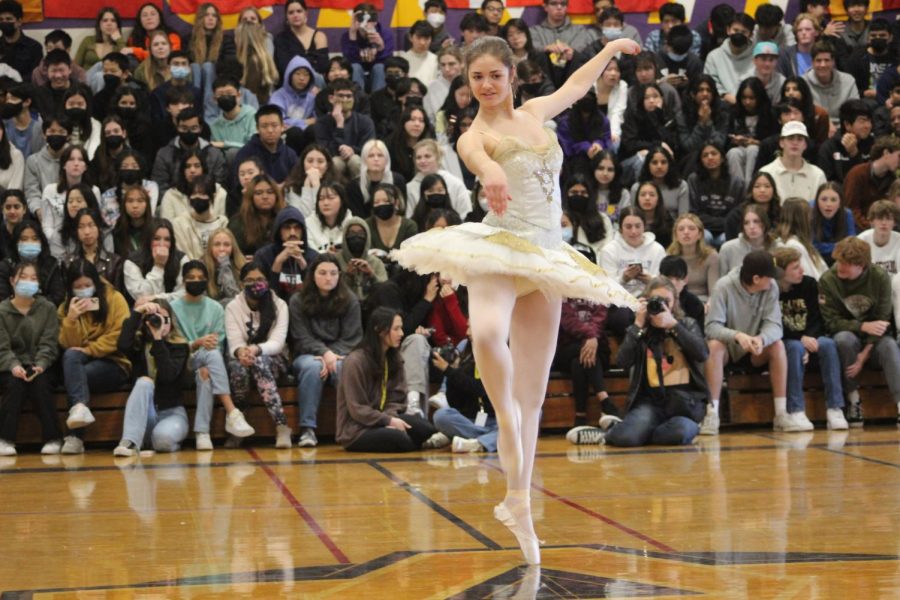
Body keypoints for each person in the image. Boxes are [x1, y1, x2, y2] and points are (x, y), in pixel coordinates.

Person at [393, 35, 641, 566]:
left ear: (511, 76)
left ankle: (519, 505)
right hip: (500, 250)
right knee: (484, 334)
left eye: (493, 76)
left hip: (546, 256)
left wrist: (611, 48)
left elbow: (577, 84)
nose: (484, 85)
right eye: (475, 78)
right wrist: (493, 172)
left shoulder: (534, 111)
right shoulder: (474, 134)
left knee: (532, 400)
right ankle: (499, 417)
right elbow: (479, 159)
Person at [566, 277, 708, 447]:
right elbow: (622, 362)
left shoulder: (687, 324)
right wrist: (637, 325)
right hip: (650, 404)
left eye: (666, 301)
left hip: (684, 405)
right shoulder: (641, 330)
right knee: (625, 439)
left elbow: (702, 353)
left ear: (675, 303)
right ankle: (616, 433)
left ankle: (626, 430)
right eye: (656, 301)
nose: (661, 306)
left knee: (680, 433)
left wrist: (673, 325)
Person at [171, 260, 254, 450]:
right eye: (191, 278)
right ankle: (232, 412)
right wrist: (196, 343)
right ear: (183, 281)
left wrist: (205, 346)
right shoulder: (173, 307)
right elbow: (173, 345)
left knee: (206, 373)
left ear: (207, 281)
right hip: (182, 362)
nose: (195, 281)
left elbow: (218, 343)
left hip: (207, 360)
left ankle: (202, 433)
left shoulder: (216, 308)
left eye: (200, 278)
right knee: (209, 356)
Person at [703, 250, 786, 436]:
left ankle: (781, 414)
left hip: (755, 350)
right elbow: (711, 327)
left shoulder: (771, 288)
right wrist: (737, 336)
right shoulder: (723, 287)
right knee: (714, 346)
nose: (773, 280)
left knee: (777, 345)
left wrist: (761, 338)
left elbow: (775, 326)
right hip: (728, 349)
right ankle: (712, 413)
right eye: (769, 276)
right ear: (756, 278)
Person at [335, 306, 441, 452]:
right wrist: (387, 421)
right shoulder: (355, 362)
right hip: (357, 429)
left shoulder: (394, 357)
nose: (401, 333)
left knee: (426, 429)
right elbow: (357, 409)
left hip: (384, 418)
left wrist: (389, 418)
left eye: (401, 328)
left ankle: (411, 441)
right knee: (400, 439)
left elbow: (398, 398)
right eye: (396, 329)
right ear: (380, 330)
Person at [820, 237, 900, 426]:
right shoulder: (828, 280)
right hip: (849, 337)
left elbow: (883, 319)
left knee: (889, 346)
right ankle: (853, 400)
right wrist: (861, 326)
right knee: (843, 339)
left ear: (861, 265)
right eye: (838, 261)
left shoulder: (879, 277)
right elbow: (831, 322)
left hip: (875, 340)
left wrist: (864, 355)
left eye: (846, 264)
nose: (840, 267)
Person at [56, 258, 130, 454]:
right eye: (77, 287)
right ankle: (80, 407)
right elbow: (68, 345)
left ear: (96, 283)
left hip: (114, 363)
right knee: (71, 358)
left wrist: (90, 350)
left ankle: (75, 436)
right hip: (80, 363)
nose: (83, 290)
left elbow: (118, 337)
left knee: (76, 376)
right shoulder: (66, 307)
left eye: (87, 285)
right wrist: (71, 319)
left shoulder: (115, 299)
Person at [290, 254, 362, 447]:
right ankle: (307, 429)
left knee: (342, 368)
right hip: (307, 354)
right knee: (313, 368)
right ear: (313, 275)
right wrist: (324, 353)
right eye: (322, 273)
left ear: (340, 275)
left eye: (333, 273)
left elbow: (352, 338)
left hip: (339, 354)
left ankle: (349, 426)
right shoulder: (298, 300)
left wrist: (331, 356)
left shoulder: (350, 300)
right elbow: (300, 336)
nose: (328, 278)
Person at [773, 247, 848, 431]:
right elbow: (774, 324)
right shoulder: (772, 290)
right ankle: (796, 410)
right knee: (794, 349)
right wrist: (800, 339)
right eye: (795, 268)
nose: (802, 270)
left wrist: (809, 337)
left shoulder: (809, 284)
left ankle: (835, 408)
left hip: (810, 336)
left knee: (829, 345)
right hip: (788, 339)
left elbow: (817, 317)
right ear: (782, 272)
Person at [224, 262, 292, 448]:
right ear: (241, 284)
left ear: (268, 282)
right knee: (238, 367)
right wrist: (241, 352)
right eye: (250, 280)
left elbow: (277, 343)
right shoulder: (232, 307)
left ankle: (282, 425)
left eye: (260, 279)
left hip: (274, 359)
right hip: (244, 358)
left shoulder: (280, 305)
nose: (255, 284)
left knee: (259, 362)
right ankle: (239, 422)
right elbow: (235, 342)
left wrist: (255, 350)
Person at [112, 298, 190, 456]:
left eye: (164, 319)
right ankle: (130, 442)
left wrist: (158, 340)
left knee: (163, 440)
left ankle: (158, 444)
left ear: (172, 322)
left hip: (172, 412)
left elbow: (168, 375)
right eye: (155, 318)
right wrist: (137, 312)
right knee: (144, 382)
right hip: (144, 415)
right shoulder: (139, 345)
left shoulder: (180, 347)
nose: (160, 322)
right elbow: (122, 345)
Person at [0, 260, 61, 456]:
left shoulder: (48, 308)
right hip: (10, 367)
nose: (28, 282)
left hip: (41, 365)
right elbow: (2, 348)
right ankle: (5, 439)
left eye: (33, 278)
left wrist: (41, 364)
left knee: (41, 383)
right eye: (23, 277)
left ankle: (53, 438)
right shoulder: (1, 311)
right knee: (13, 384)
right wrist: (13, 365)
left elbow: (49, 343)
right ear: (12, 281)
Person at [253, 206, 318, 300]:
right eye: (287, 228)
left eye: (297, 227)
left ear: (303, 231)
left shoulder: (313, 257)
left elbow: (315, 296)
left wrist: (303, 265)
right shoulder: (263, 256)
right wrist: (277, 263)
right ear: (278, 230)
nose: (292, 233)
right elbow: (260, 293)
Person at [687, 142, 744, 248]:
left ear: (722, 158)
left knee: (726, 240)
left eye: (714, 153)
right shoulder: (693, 180)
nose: (710, 157)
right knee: (705, 237)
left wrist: (726, 224)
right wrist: (724, 222)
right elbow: (694, 213)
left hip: (727, 229)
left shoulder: (736, 182)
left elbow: (737, 215)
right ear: (701, 160)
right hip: (703, 228)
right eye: (705, 155)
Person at [123, 218, 189, 304]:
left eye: (167, 239)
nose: (162, 244)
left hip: (176, 310)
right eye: (156, 239)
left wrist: (156, 298)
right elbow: (142, 296)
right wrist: (158, 266)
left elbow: (184, 293)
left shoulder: (181, 259)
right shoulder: (132, 262)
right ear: (148, 240)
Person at [0, 220, 65, 306]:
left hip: (45, 313)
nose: (29, 242)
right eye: (24, 239)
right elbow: (3, 297)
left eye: (35, 239)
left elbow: (57, 296)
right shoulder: (5, 266)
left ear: (41, 242)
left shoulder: (51, 264)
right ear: (16, 243)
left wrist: (35, 309)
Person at [759, 121, 827, 202]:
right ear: (781, 143)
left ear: (805, 145)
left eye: (800, 139)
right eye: (790, 138)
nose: (795, 143)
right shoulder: (766, 172)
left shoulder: (818, 175)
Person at [843, 135, 900, 229]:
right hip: (858, 229)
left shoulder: (893, 180)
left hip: (884, 229)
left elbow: (893, 211)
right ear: (886, 153)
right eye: (899, 156)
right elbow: (851, 209)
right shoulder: (857, 174)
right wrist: (871, 227)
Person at [233, 105, 298, 186]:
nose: (270, 130)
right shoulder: (245, 154)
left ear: (282, 126)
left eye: (274, 125)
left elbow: (296, 182)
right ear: (257, 128)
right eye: (264, 126)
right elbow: (236, 185)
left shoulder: (290, 154)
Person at [815, 99, 873, 184]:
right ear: (847, 125)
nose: (868, 126)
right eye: (862, 121)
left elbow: (871, 180)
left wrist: (855, 155)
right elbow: (827, 182)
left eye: (869, 121)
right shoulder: (828, 148)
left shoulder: (873, 144)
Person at [702, 12, 756, 103]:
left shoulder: (757, 57)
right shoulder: (713, 56)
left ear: (750, 35)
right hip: (721, 105)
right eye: (735, 30)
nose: (739, 34)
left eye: (744, 32)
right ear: (728, 30)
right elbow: (709, 82)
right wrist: (725, 95)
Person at [229, 173, 286, 256]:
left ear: (276, 195)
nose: (265, 196)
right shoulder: (238, 223)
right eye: (259, 193)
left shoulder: (284, 220)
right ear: (251, 197)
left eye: (270, 192)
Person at [667, 214, 719, 302]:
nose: (686, 232)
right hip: (677, 302)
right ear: (676, 235)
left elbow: (714, 293)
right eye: (681, 229)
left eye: (691, 228)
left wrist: (709, 305)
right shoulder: (669, 256)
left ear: (700, 234)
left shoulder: (711, 256)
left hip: (703, 303)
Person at [775, 198, 828, 280]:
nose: (812, 218)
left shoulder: (801, 242)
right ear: (802, 219)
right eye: (809, 215)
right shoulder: (793, 245)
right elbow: (810, 277)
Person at [274, 0, 329, 79]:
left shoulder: (319, 36)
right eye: (291, 12)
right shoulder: (281, 39)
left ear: (306, 13)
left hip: (316, 82)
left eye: (299, 11)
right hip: (291, 82)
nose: (295, 15)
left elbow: (323, 67)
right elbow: (285, 67)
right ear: (286, 16)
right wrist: (312, 60)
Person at [719, 204, 775, 275]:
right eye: (746, 223)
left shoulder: (777, 247)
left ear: (765, 223)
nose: (751, 227)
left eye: (756, 221)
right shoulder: (727, 249)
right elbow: (720, 282)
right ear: (742, 226)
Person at [724, 172, 780, 241]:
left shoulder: (781, 214)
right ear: (751, 190)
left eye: (767, 186)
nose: (762, 190)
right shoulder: (737, 215)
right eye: (757, 186)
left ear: (773, 190)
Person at [810, 182, 855, 266]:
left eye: (833, 200)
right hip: (815, 259)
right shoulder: (809, 212)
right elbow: (812, 246)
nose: (828, 204)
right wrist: (839, 246)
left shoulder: (847, 214)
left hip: (840, 259)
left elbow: (852, 244)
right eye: (824, 199)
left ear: (840, 203)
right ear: (817, 201)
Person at [203, 228, 246, 307]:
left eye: (226, 245)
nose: (222, 249)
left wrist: (225, 266)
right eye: (217, 244)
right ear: (210, 247)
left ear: (233, 247)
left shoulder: (242, 266)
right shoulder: (202, 268)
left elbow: (235, 297)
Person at [0, 0, 43, 81]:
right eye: (1, 19)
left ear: (19, 21)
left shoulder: (34, 47)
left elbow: (35, 77)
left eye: (9, 19)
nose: (4, 22)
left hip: (24, 91)